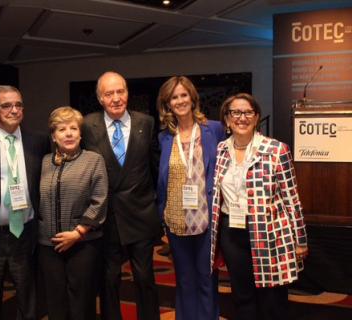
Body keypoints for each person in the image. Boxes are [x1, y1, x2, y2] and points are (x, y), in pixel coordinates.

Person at [210, 93, 308, 320]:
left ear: (256, 118)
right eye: (235, 112)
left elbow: (292, 198)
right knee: (242, 296)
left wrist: (300, 240)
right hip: (232, 233)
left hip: (269, 232)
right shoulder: (220, 151)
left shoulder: (276, 150)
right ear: (226, 118)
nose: (241, 117)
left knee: (271, 298)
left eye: (248, 112)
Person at [81, 71, 163, 320]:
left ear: (127, 92)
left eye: (121, 91)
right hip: (106, 218)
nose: (116, 98)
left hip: (141, 214)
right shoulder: (87, 125)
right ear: (100, 98)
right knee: (108, 280)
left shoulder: (146, 123)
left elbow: (155, 167)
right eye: (109, 93)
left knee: (145, 278)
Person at [0, 85, 49, 320]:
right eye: (7, 105)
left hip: (25, 232)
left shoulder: (37, 141)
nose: (14, 110)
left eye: (18, 104)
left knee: (28, 295)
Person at [156, 76, 225, 320]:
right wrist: (161, 218)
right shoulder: (165, 137)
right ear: (167, 104)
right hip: (176, 221)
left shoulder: (214, 129)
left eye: (184, 95)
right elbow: (163, 181)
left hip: (206, 219)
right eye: (174, 97)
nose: (180, 100)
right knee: (184, 280)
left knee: (206, 279)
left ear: (193, 98)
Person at [38, 106, 108, 320]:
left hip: (83, 244)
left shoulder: (93, 160)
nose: (68, 133)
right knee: (55, 302)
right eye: (61, 129)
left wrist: (78, 233)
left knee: (81, 302)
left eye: (73, 128)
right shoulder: (44, 162)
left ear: (80, 133)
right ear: (53, 136)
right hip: (48, 245)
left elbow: (100, 200)